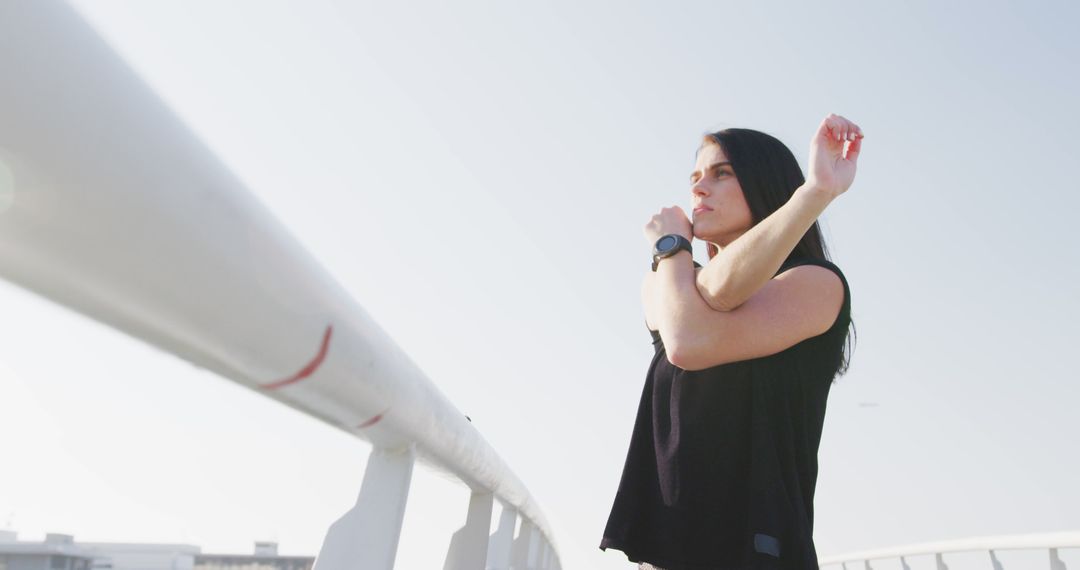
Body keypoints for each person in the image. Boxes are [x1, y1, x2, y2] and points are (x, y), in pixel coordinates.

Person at [599, 114, 863, 570]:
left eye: (722, 173)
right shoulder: (669, 281)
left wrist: (816, 192)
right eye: (696, 177)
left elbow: (688, 342)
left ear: (767, 184)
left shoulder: (816, 284)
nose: (700, 189)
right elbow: (712, 297)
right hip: (665, 556)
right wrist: (675, 254)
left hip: (760, 552)